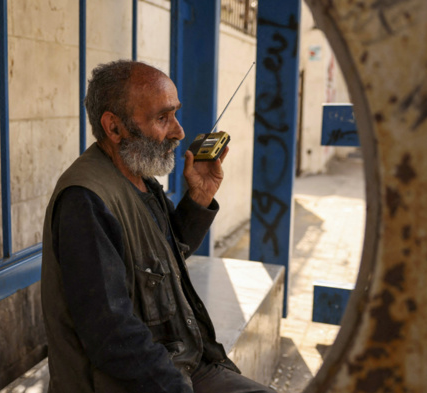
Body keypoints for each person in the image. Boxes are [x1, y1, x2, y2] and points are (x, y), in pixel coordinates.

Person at [41, 60, 275, 393]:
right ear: (114, 127)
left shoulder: (138, 178)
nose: (179, 131)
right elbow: (111, 334)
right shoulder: (86, 200)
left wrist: (198, 199)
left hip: (181, 364)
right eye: (162, 118)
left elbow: (167, 251)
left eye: (175, 114)